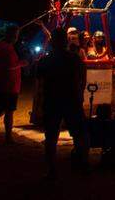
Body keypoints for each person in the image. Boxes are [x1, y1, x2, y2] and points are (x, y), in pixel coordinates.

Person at [34, 28, 88, 179]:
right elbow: (83, 79)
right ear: (65, 41)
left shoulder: (45, 60)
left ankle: (51, 170)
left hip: (52, 101)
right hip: (72, 100)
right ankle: (83, 165)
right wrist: (80, 94)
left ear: (51, 43)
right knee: (79, 134)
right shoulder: (75, 59)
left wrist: (40, 103)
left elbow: (40, 85)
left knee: (51, 136)